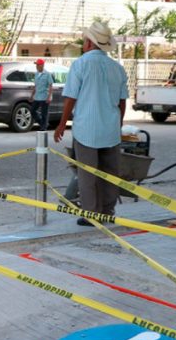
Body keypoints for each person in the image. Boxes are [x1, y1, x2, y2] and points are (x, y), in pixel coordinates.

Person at [53, 22, 128, 225]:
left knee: (87, 174)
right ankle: (107, 212)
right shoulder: (118, 68)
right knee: (109, 174)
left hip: (86, 129)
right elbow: (122, 103)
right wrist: (117, 125)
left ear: (88, 43)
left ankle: (91, 215)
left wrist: (61, 125)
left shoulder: (80, 64)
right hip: (110, 131)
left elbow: (70, 98)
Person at [30, 59, 53, 131]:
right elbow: (35, 86)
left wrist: (49, 97)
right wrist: (32, 95)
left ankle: (43, 128)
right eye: (36, 65)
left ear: (42, 65)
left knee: (44, 114)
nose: (36, 66)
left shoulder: (47, 74)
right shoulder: (36, 74)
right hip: (37, 97)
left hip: (44, 97)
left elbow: (50, 86)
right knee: (32, 110)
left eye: (37, 65)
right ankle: (43, 123)